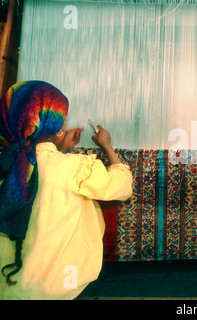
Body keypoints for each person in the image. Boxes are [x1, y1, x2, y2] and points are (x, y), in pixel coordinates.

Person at [0, 81, 133, 299]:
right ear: (60, 129)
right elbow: (122, 187)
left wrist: (59, 145)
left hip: (7, 288)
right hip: (54, 289)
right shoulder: (74, 168)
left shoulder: (5, 162)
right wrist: (107, 146)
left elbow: (38, 162)